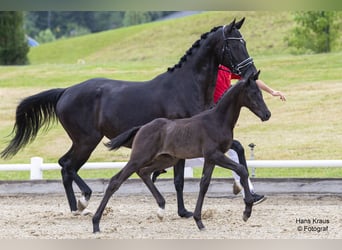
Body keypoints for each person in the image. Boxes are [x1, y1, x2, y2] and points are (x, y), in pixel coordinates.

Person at [213, 65, 286, 204]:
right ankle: (245, 188)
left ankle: (244, 186)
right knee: (233, 150)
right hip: (211, 119)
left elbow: (250, 80)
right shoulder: (211, 68)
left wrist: (272, 91)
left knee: (234, 150)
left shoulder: (226, 69)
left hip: (222, 120)